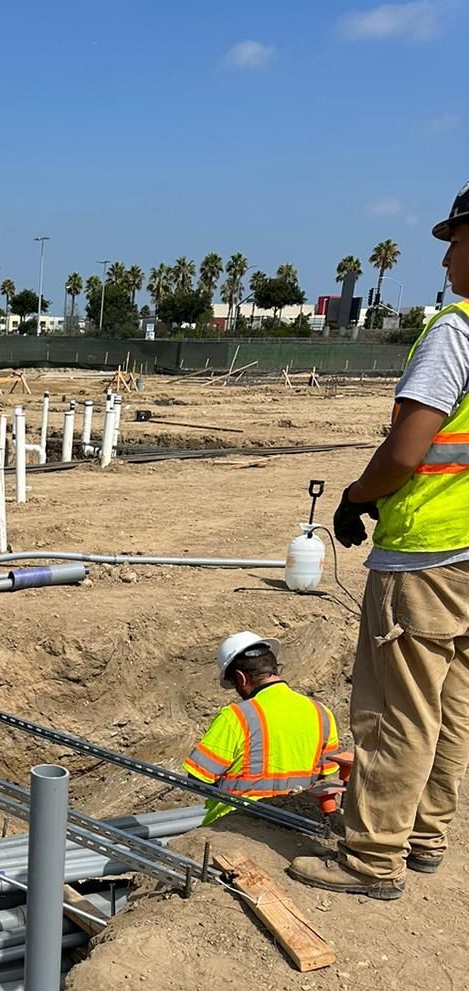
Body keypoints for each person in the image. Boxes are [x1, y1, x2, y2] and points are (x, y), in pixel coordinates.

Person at [290, 181, 469, 899]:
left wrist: (356, 499)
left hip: (426, 553)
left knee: (398, 708)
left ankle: (371, 857)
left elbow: (407, 449)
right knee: (452, 701)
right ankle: (427, 832)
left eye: (455, 240)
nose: (448, 257)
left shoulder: (457, 329)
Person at [185, 632, 340, 826]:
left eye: (234, 684)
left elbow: (198, 777)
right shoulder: (322, 713)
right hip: (299, 823)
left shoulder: (237, 716)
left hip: (236, 825)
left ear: (240, 678)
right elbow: (326, 771)